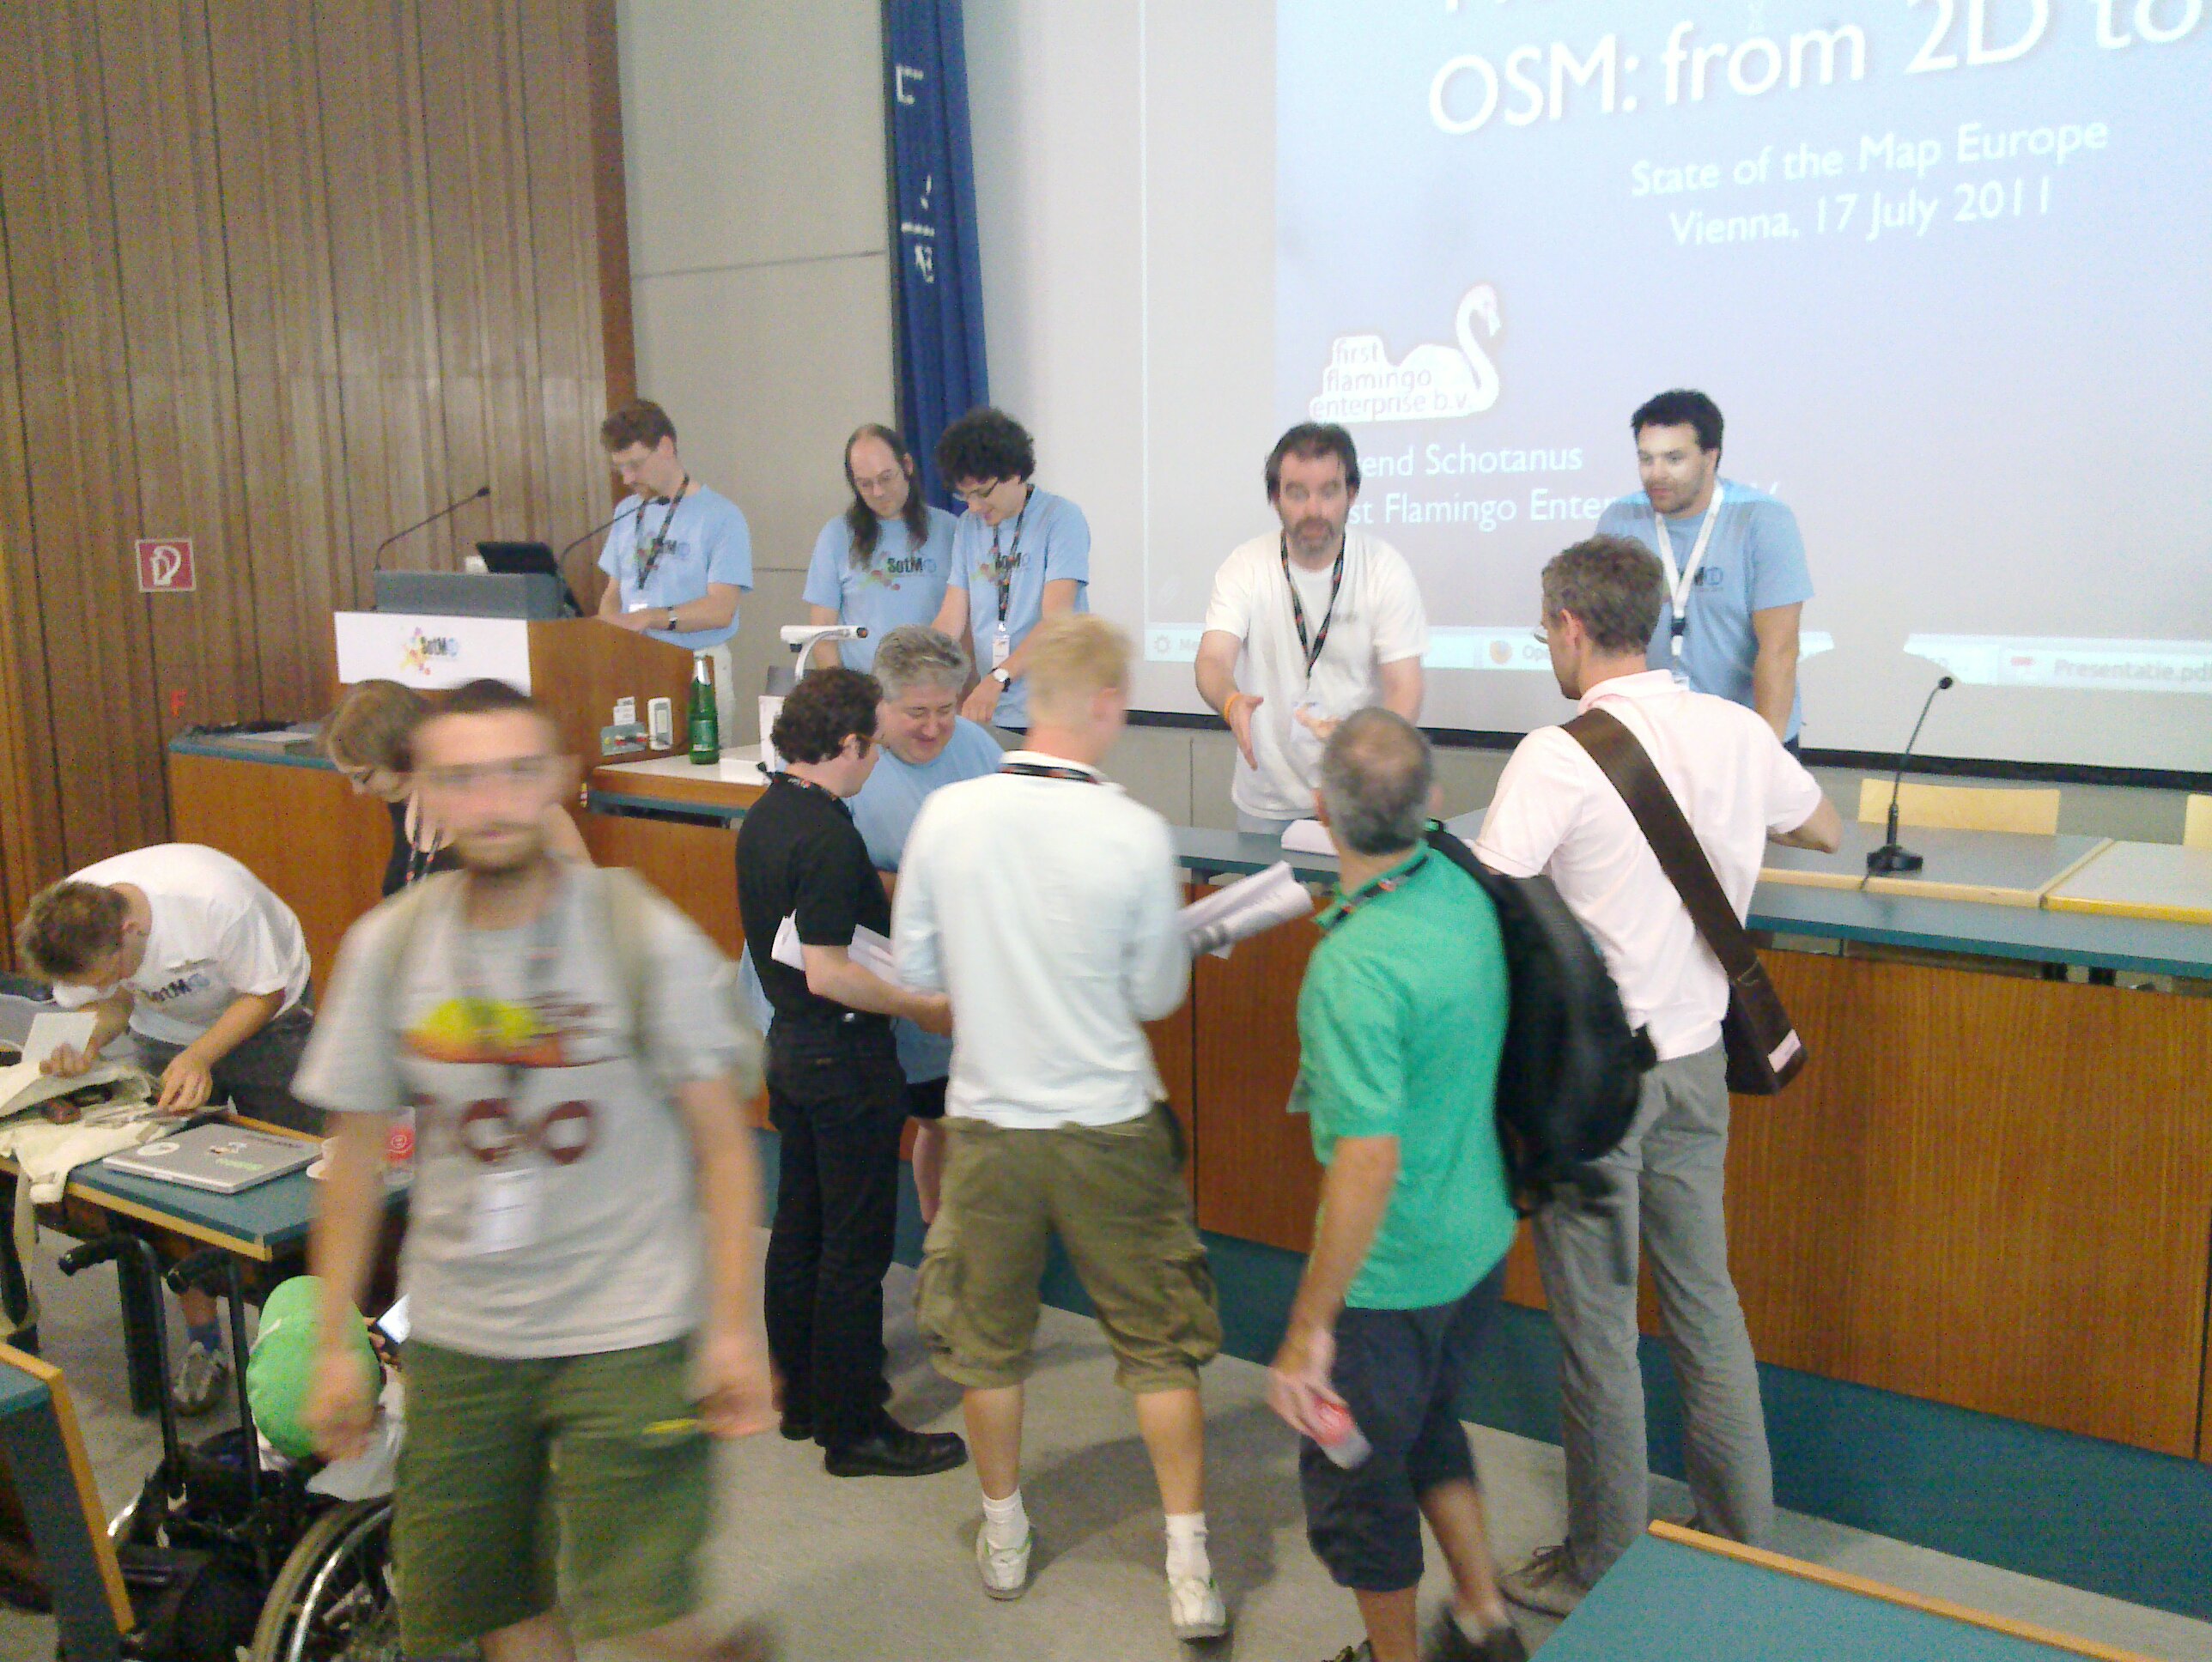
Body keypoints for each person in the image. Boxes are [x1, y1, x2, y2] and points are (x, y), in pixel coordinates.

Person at [296, 677, 775, 1661]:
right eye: (463, 777)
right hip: (461, 1337)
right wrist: (334, 1342)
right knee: (495, 1603)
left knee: (645, 1613)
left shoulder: (636, 930)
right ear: (425, 790)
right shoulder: (389, 947)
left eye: (518, 772)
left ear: (557, 777)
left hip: (627, 1328)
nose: (494, 801)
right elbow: (353, 1157)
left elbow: (724, 1142)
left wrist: (731, 1326)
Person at [1473, 536, 1841, 1616]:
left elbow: (1487, 901)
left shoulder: (1554, 756)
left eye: (1545, 629)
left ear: (1570, 626)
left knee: (1598, 1329)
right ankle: (1741, 1538)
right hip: (1695, 1066)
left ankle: (1601, 1562)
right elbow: (1821, 826)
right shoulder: (1734, 730)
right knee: (1702, 1303)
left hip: (1595, 1089)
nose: (1547, 646)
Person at [894, 615, 1231, 1641]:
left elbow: (919, 974)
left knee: (987, 1343)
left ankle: (1004, 1535)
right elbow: (1155, 994)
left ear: (1029, 699)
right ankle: (1187, 1565)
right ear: (1105, 706)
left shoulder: (947, 815)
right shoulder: (1133, 832)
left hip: (988, 1120)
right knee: (1158, 1345)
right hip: (1109, 1122)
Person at [1269, 709, 1526, 1662]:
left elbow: (1366, 1161)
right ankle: (1483, 1615)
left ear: (1318, 810)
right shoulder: (1458, 884)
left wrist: (1308, 1331)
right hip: (1478, 1237)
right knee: (1427, 1428)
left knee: (1360, 1493)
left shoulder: (1352, 967)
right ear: (1431, 802)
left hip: (1392, 1279)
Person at [735, 669, 968, 1479]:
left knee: (800, 1227)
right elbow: (832, 971)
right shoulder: (830, 836)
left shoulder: (768, 814)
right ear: (848, 744)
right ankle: (854, 1426)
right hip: (844, 1058)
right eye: (874, 743)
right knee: (855, 1247)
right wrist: (922, 1006)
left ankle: (801, 1395)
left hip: (792, 1050)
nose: (880, 758)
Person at [16, 845, 315, 1414]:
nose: (114, 980)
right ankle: (206, 1343)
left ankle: (299, 1342)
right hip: (165, 1032)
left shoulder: (215, 900)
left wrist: (201, 1056)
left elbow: (266, 991)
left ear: (129, 930)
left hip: (266, 1017)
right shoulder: (72, 925)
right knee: (170, 1187)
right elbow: (112, 1004)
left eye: (117, 969)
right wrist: (87, 1042)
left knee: (297, 1187)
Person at [1197, 422, 1430, 837]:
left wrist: (1370, 760)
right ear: (1275, 498)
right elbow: (1213, 659)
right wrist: (1231, 702)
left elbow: (1405, 687)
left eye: (1329, 491)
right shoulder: (1246, 566)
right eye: (1297, 493)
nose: (1314, 510)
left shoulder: (1385, 569)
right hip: (1266, 798)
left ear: (1351, 494)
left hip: (1359, 798)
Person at [845, 625, 1006, 1222]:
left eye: (946, 710)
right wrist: (926, 889)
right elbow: (831, 878)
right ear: (880, 703)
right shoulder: (847, 760)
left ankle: (947, 1235)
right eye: (917, 713)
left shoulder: (979, 749)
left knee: (955, 1119)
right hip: (875, 979)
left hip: (964, 972)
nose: (935, 728)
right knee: (915, 1118)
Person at [1595, 389, 1814, 749]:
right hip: (1655, 734)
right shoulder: (1620, 520)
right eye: (1646, 459)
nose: (1656, 474)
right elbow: (1607, 639)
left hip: (1743, 733)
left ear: (1711, 457)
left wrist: (1767, 752)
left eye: (1674, 459)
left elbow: (1779, 650)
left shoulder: (1762, 520)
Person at [324, 678, 586, 895]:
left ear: (398, 752)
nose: (358, 790)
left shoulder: (539, 814)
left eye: (363, 777)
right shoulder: (401, 804)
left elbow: (585, 901)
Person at [593, 397, 754, 737]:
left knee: (702, 766)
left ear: (666, 447)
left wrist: (651, 618)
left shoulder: (721, 516)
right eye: (620, 468)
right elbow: (613, 592)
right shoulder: (626, 511)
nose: (627, 478)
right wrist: (609, 626)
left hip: (697, 665)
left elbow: (721, 610)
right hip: (632, 665)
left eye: (635, 465)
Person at [928, 407, 1091, 735]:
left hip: (1053, 708)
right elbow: (951, 617)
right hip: (992, 708)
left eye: (983, 492)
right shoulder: (968, 526)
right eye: (965, 495)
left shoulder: (1060, 518)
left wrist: (1000, 677)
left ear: (1015, 472)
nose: (974, 506)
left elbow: (1056, 622)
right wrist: (917, 663)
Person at [804, 425, 959, 674]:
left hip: (934, 685)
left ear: (907, 465)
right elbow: (822, 631)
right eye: (865, 484)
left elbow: (967, 621)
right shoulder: (836, 536)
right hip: (863, 687)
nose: (878, 492)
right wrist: (842, 690)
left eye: (886, 478)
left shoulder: (950, 530)